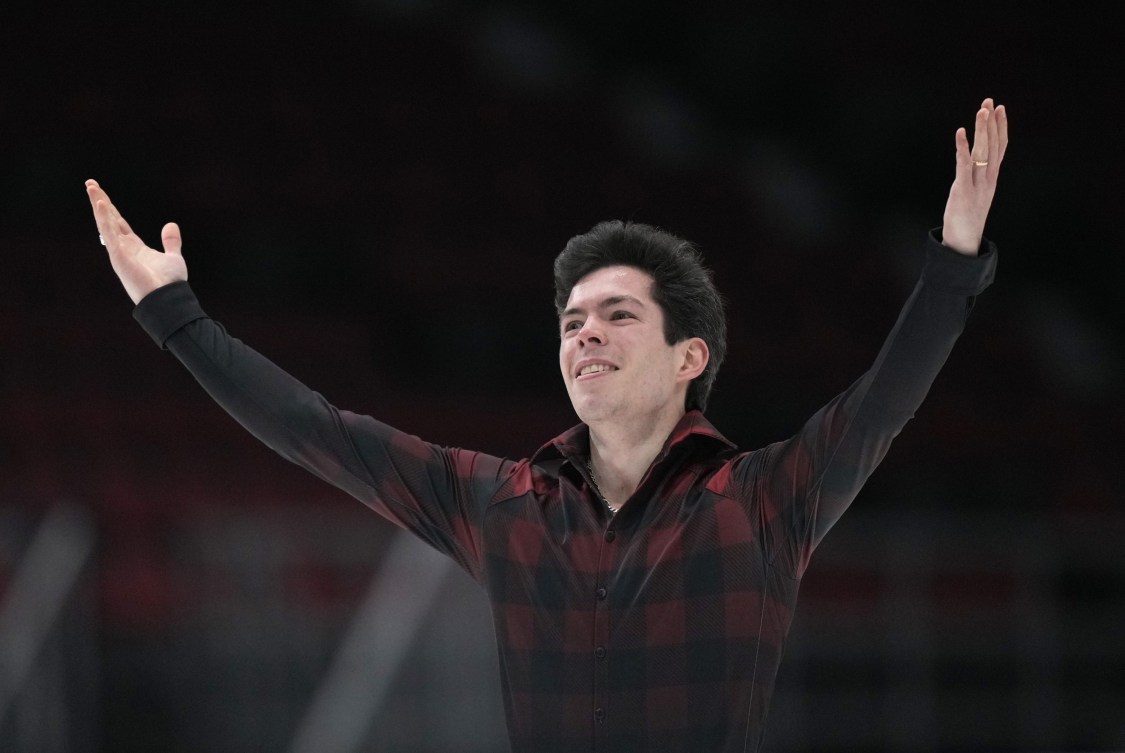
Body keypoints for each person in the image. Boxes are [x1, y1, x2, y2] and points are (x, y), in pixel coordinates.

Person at [86, 98, 1008, 752]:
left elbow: (883, 403)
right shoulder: (500, 501)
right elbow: (312, 428)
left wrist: (952, 263)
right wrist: (178, 318)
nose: (585, 334)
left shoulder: (762, 501)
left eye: (615, 315)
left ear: (689, 357)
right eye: (570, 321)